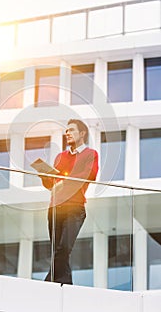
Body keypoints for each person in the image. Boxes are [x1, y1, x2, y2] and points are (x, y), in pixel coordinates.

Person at [41, 119, 99, 285]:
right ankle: (65, 285)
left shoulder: (90, 154)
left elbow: (90, 174)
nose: (67, 133)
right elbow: (52, 185)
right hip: (55, 208)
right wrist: (44, 176)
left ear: (82, 134)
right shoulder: (61, 156)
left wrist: (63, 181)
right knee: (57, 250)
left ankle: (48, 281)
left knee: (64, 247)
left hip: (75, 207)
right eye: (66, 131)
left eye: (71, 130)